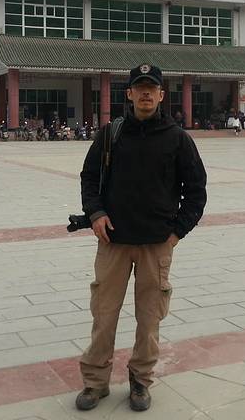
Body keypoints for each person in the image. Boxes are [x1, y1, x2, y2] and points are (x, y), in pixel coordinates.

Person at [76, 64, 207, 412]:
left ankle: (140, 380)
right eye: (140, 87)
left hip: (155, 245)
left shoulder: (178, 139)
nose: (146, 93)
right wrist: (96, 214)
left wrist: (176, 233)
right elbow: (89, 178)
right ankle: (95, 381)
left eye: (152, 88)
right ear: (130, 94)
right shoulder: (111, 134)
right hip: (113, 243)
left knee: (149, 320)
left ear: (161, 95)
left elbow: (196, 191)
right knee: (104, 316)